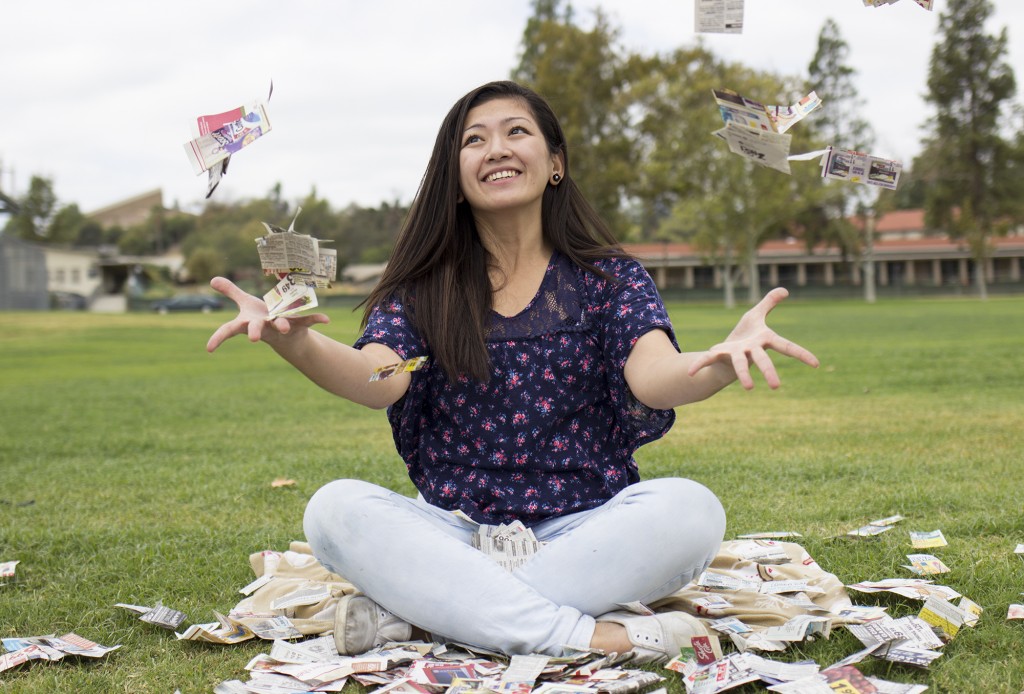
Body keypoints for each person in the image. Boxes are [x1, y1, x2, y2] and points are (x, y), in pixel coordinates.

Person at [207, 80, 819, 663]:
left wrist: (713, 362)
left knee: (693, 509)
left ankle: (424, 617)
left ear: (554, 161)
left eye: (516, 132)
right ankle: (586, 637)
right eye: (474, 140)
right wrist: (294, 343)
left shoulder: (609, 278)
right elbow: (379, 378)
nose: (495, 149)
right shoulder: (427, 286)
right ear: (455, 175)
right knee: (333, 509)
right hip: (454, 531)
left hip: (586, 533)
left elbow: (653, 375)